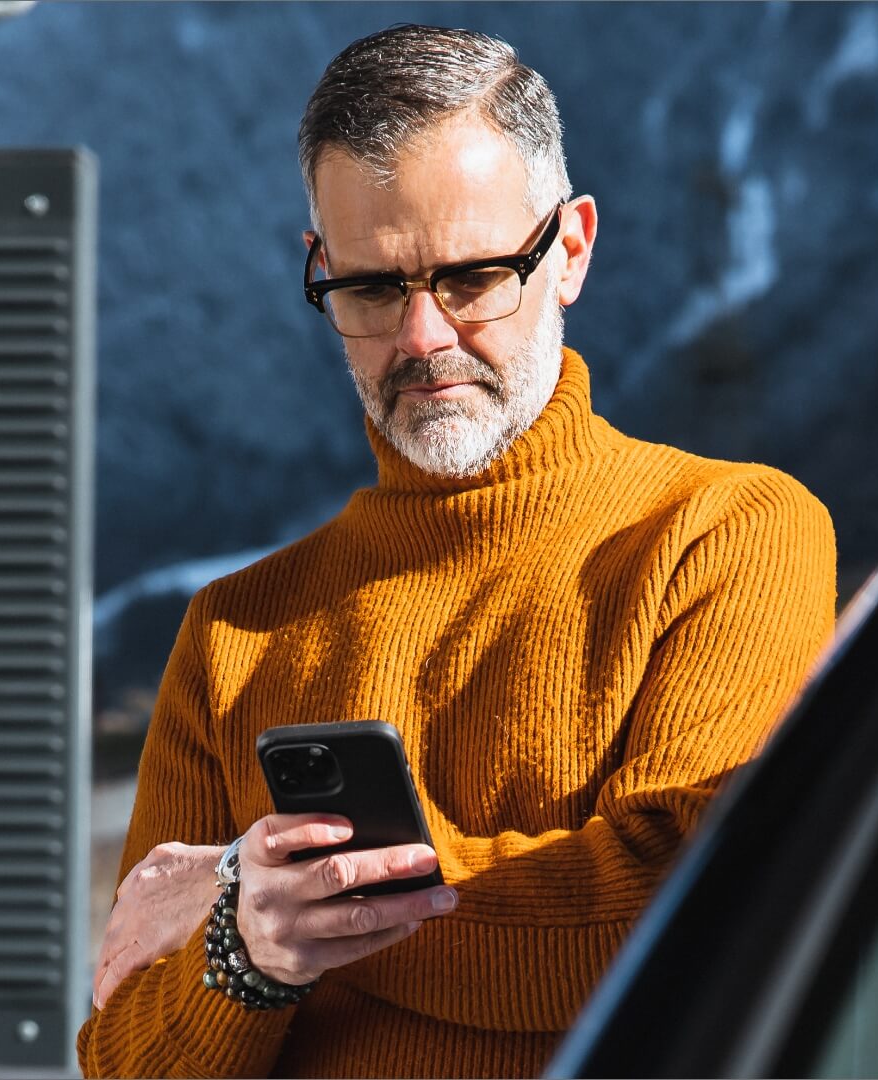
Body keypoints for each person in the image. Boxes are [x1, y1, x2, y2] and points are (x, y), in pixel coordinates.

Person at [77, 23, 836, 1078]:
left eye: (473, 277)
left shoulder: (723, 534)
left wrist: (256, 890)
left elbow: (680, 911)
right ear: (319, 272)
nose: (423, 337)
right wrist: (252, 951)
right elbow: (126, 1060)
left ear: (569, 250)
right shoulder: (236, 630)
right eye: (375, 288)